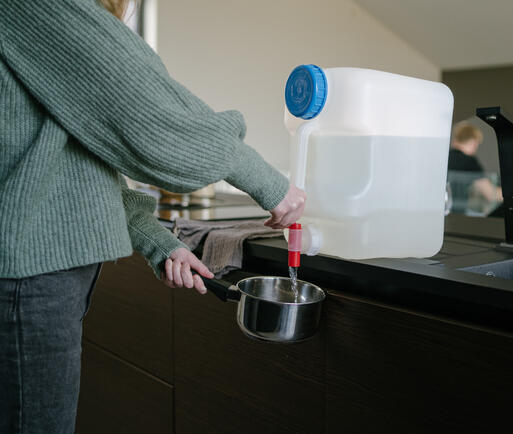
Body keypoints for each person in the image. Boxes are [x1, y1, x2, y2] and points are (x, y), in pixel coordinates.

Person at [0, 1, 305, 432]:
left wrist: (157, 241)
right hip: (27, 282)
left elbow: (64, 170)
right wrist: (271, 185)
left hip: (29, 276)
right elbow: (151, 111)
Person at [447, 121, 502, 207]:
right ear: (473, 142)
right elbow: (490, 194)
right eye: (476, 145)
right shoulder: (469, 161)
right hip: (458, 214)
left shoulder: (445, 157)